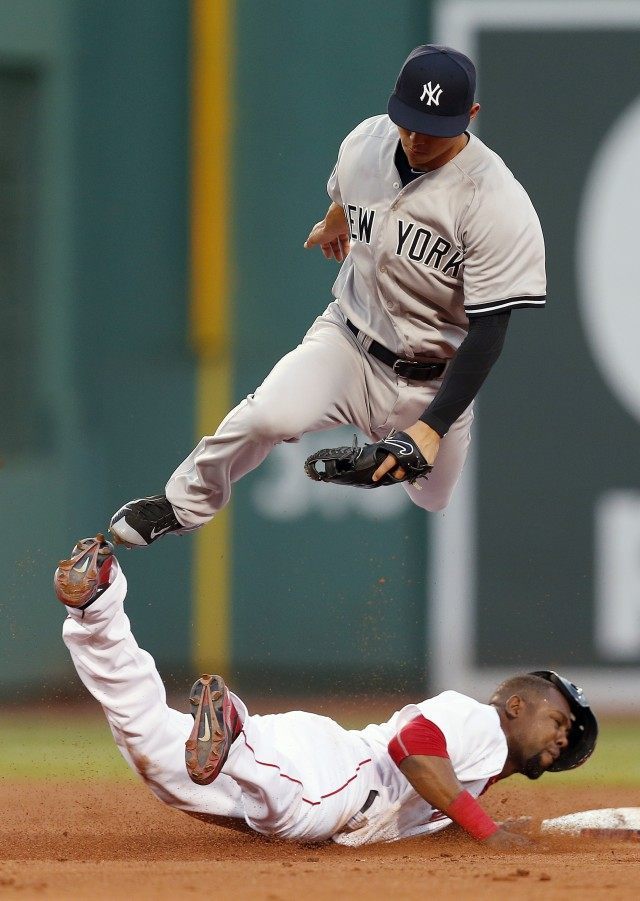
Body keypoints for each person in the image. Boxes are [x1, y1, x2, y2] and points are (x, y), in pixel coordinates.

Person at [109, 43, 546, 548]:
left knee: (434, 497)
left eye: (434, 128)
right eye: (408, 121)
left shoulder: (497, 202)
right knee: (267, 415)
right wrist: (334, 222)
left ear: (470, 115)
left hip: (434, 376)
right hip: (350, 342)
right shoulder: (367, 141)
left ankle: (402, 448)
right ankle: (181, 504)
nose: (416, 137)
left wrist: (431, 427)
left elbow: (491, 329)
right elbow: (349, 192)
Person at [54, 537, 595, 847]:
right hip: (336, 774)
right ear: (518, 705)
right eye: (560, 721)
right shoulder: (481, 722)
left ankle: (96, 609)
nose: (564, 737)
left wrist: (479, 824)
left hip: (298, 762)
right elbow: (414, 744)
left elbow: (428, 804)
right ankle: (235, 737)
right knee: (293, 816)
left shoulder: (476, 769)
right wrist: (485, 832)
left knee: (153, 750)